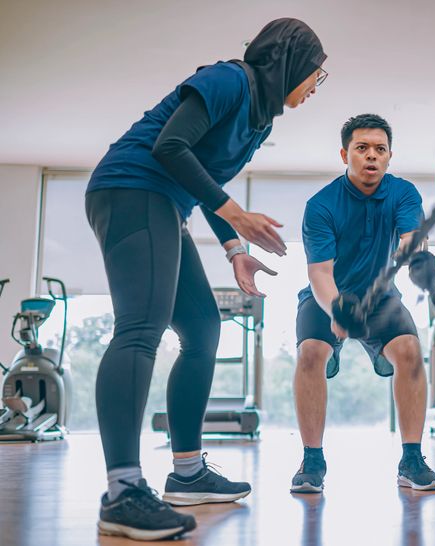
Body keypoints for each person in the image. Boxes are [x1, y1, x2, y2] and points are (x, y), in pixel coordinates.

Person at [84, 18, 327, 541]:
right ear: (291, 62)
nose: (315, 85)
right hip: (131, 188)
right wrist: (236, 215)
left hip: (164, 204)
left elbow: (207, 178)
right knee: (140, 328)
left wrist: (234, 248)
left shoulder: (260, 119)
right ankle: (122, 492)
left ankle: (188, 473)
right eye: (316, 74)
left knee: (202, 329)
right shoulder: (229, 80)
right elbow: (169, 148)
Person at [291, 113, 435, 494]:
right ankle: (312, 461)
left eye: (380, 149)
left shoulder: (403, 193)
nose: (371, 156)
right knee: (311, 353)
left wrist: (419, 259)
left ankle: (411, 458)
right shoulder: (321, 205)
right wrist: (337, 309)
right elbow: (320, 273)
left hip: (381, 299)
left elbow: (410, 239)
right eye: (362, 148)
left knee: (409, 350)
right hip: (329, 296)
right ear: (345, 154)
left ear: (389, 157)